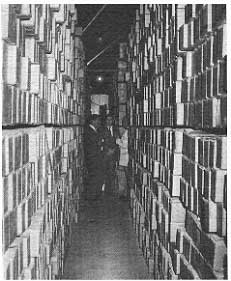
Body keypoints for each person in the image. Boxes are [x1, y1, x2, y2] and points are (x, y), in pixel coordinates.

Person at [83, 114, 104, 201]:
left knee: (95, 177)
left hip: (94, 158)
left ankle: (94, 196)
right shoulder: (90, 131)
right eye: (98, 120)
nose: (99, 122)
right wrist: (99, 143)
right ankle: (92, 197)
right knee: (94, 177)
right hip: (93, 159)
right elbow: (93, 145)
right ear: (92, 121)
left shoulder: (94, 130)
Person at [99, 114, 119, 195]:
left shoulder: (115, 130)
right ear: (105, 121)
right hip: (104, 154)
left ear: (113, 121)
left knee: (111, 172)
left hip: (113, 155)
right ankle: (102, 188)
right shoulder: (101, 129)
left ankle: (110, 190)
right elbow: (100, 141)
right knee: (103, 171)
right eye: (107, 119)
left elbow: (118, 141)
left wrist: (114, 150)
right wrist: (107, 150)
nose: (109, 121)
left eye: (111, 119)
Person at [116, 117, 129, 199]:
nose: (123, 123)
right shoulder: (126, 132)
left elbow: (124, 145)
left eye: (124, 122)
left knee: (125, 176)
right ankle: (123, 193)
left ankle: (124, 194)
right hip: (123, 157)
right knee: (122, 176)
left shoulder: (127, 132)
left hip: (125, 157)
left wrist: (117, 139)